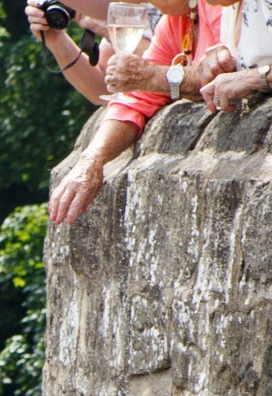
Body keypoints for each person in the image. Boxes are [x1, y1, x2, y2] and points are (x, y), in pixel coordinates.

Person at [49, 0, 229, 228]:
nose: (146, 4)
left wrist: (153, 76)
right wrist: (92, 160)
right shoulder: (176, 20)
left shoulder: (220, 6)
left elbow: (224, 77)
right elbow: (136, 99)